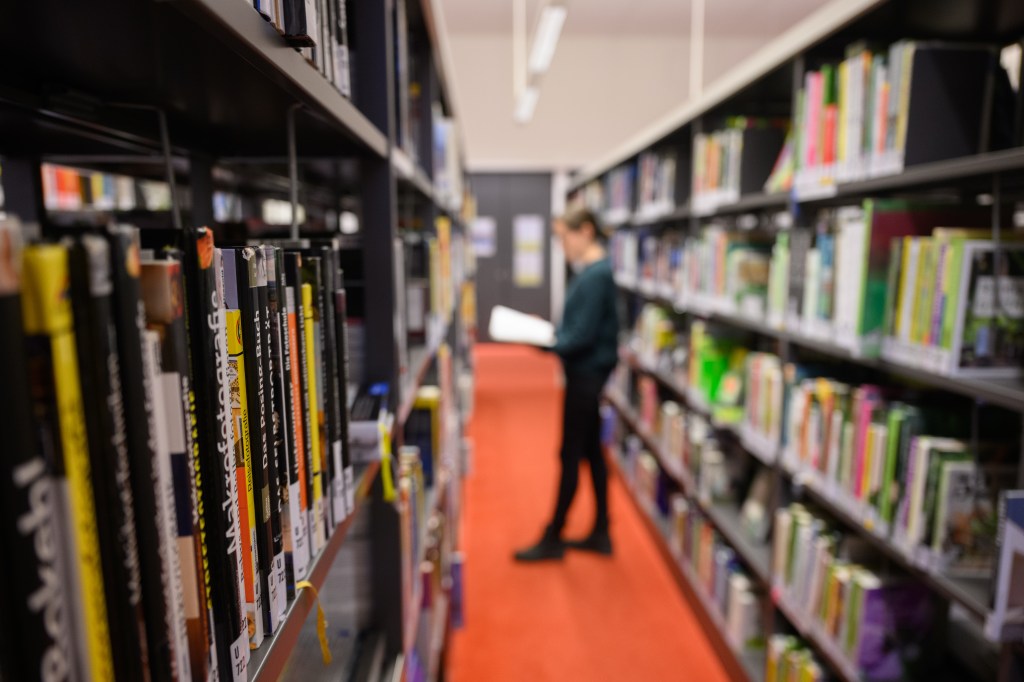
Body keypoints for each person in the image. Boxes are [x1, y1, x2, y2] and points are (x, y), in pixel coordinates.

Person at [514, 208, 620, 562]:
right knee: (591, 451)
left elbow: (580, 336)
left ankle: (554, 535)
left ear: (586, 231)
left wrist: (543, 339)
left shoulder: (595, 276)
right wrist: (550, 332)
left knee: (570, 453)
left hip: (586, 376)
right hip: (587, 373)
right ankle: (602, 530)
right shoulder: (595, 273)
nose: (562, 246)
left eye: (564, 237)